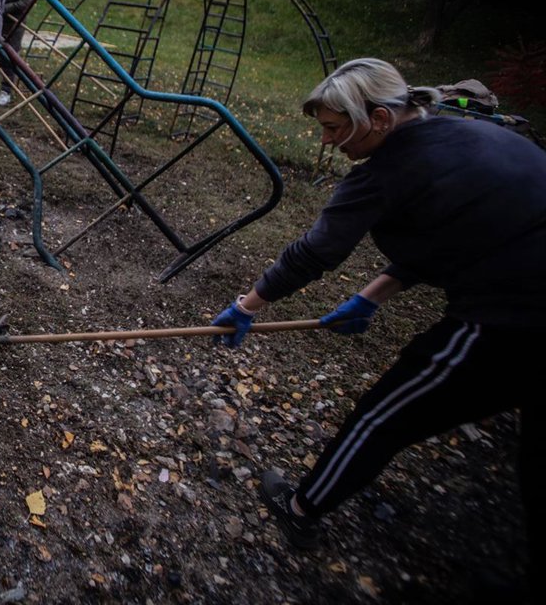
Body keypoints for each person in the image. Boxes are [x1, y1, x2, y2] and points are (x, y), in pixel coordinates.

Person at [209, 59, 545, 571]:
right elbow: (460, 233)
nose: (326, 142)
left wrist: (245, 307)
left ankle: (301, 509)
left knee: (382, 416)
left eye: (333, 128)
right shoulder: (465, 135)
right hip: (523, 290)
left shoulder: (389, 170)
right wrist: (371, 296)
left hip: (515, 318)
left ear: (381, 119)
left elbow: (313, 254)